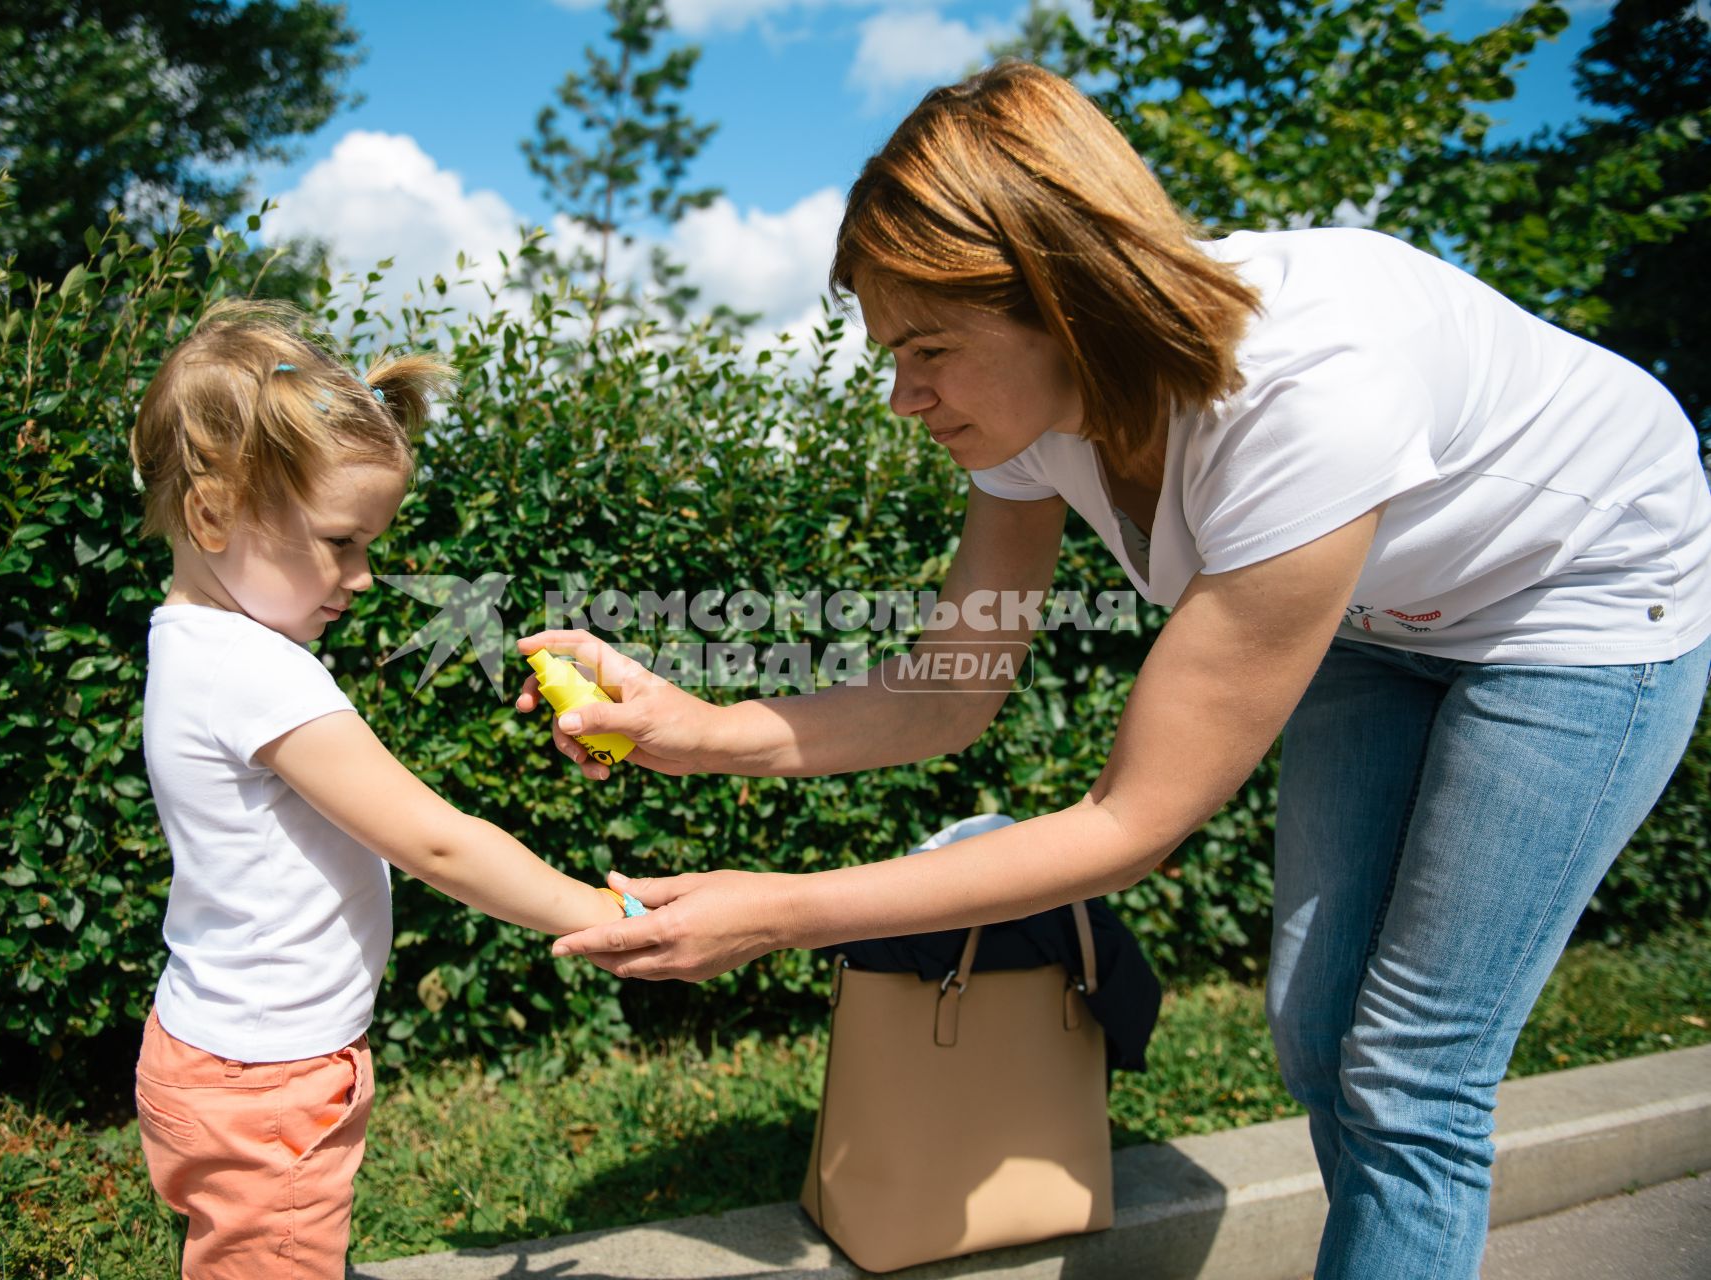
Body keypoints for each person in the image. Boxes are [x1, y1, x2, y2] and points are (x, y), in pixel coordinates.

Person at [518, 62, 1711, 1280]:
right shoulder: (1032, 429)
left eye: (928, 347)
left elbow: (1131, 825)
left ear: (1066, 294)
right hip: (1379, 617)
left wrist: (777, 912)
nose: (899, 396)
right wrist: (695, 723)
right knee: (1316, 1028)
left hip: (1585, 601)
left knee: (1412, 1065)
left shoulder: (1309, 392)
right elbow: (950, 687)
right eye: (891, 351)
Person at [126, 301, 637, 1280]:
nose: (363, 576)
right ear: (212, 512)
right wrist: (604, 915)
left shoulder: (191, 643)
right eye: (340, 541)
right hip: (269, 1077)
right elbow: (434, 840)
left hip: (219, 1050)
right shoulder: (257, 672)